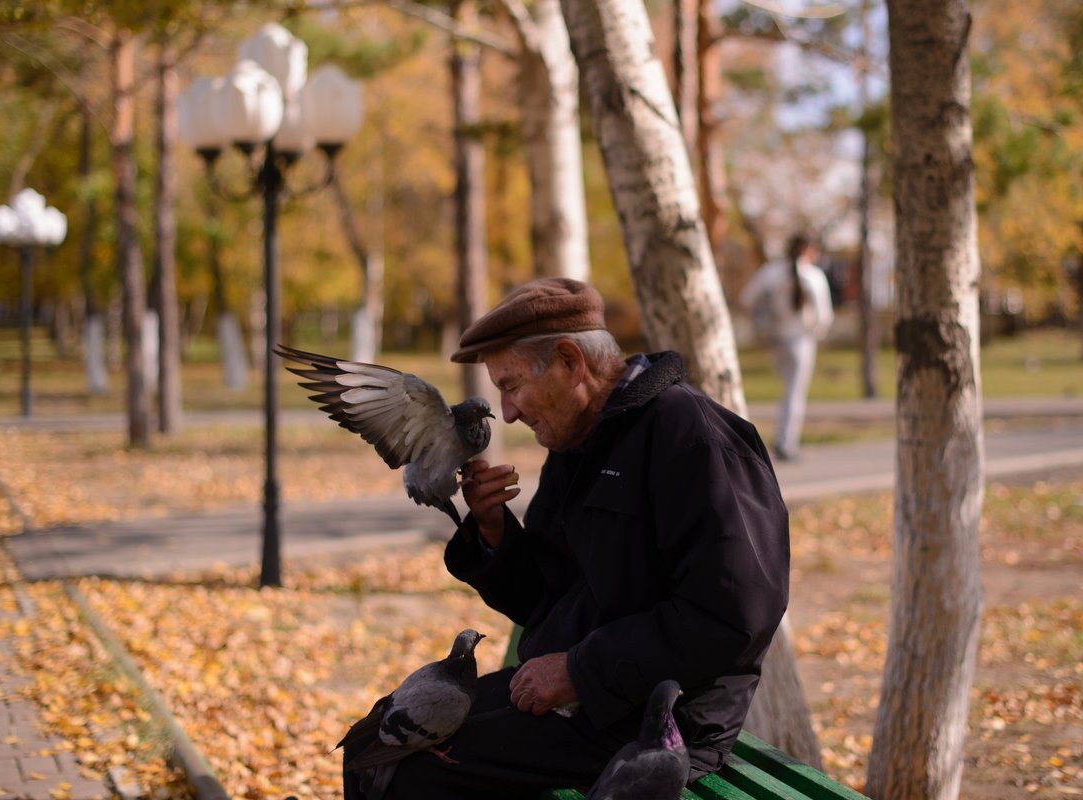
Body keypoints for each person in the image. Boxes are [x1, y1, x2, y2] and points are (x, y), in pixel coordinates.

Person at [342, 277, 789, 799]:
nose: (506, 412)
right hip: (575, 696)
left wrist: (580, 669)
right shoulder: (580, 440)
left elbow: (735, 613)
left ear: (571, 362)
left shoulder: (691, 435)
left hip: (654, 721)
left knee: (411, 773)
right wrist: (493, 530)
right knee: (368, 742)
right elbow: (547, 596)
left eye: (510, 386)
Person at [739, 234, 834, 462]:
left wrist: (762, 324)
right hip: (800, 341)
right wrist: (817, 332)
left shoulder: (771, 272)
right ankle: (786, 443)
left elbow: (747, 299)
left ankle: (779, 440)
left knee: (786, 391)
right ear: (809, 250)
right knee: (794, 394)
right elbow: (824, 315)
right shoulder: (813, 275)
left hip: (776, 340)